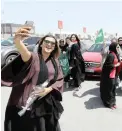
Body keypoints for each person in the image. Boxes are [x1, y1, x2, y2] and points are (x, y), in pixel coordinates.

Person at [1, 27, 64, 131]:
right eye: (47, 42)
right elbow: (25, 53)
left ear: (55, 47)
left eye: (52, 43)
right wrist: (17, 41)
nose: (49, 45)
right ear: (41, 44)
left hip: (44, 105)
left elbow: (59, 79)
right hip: (26, 105)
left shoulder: (55, 62)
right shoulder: (34, 57)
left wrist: (48, 90)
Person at [100, 42, 120, 109]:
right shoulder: (111, 55)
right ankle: (109, 103)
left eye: (118, 47)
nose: (118, 48)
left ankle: (113, 102)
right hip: (109, 76)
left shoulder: (115, 54)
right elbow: (108, 65)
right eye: (117, 47)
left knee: (113, 90)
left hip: (114, 75)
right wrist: (116, 65)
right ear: (113, 47)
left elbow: (118, 61)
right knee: (109, 90)